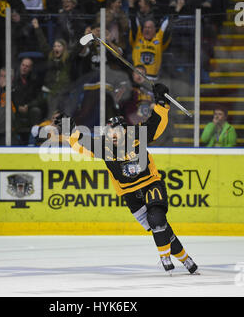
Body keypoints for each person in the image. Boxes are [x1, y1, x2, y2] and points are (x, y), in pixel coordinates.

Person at [54, 83, 199, 274]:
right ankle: (186, 259)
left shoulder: (137, 135)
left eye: (114, 131)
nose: (111, 135)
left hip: (150, 182)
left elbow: (156, 124)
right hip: (129, 194)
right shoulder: (103, 147)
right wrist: (68, 127)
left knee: (157, 219)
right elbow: (79, 143)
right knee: (162, 230)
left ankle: (164, 257)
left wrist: (162, 102)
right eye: (108, 132)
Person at [129, 16, 171, 81]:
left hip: (153, 79)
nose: (147, 29)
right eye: (145, 27)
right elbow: (133, 21)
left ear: (155, 30)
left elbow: (167, 25)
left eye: (150, 28)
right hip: (138, 79)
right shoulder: (138, 39)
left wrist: (174, 11)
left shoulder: (159, 40)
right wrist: (133, 9)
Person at [14, 57, 44, 145]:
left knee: (36, 111)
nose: (24, 68)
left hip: (28, 108)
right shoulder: (13, 79)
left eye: (27, 66)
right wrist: (17, 106)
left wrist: (28, 106)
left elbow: (39, 98)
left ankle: (36, 140)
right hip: (15, 108)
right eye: (23, 65)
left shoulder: (34, 81)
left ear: (30, 68)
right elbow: (10, 97)